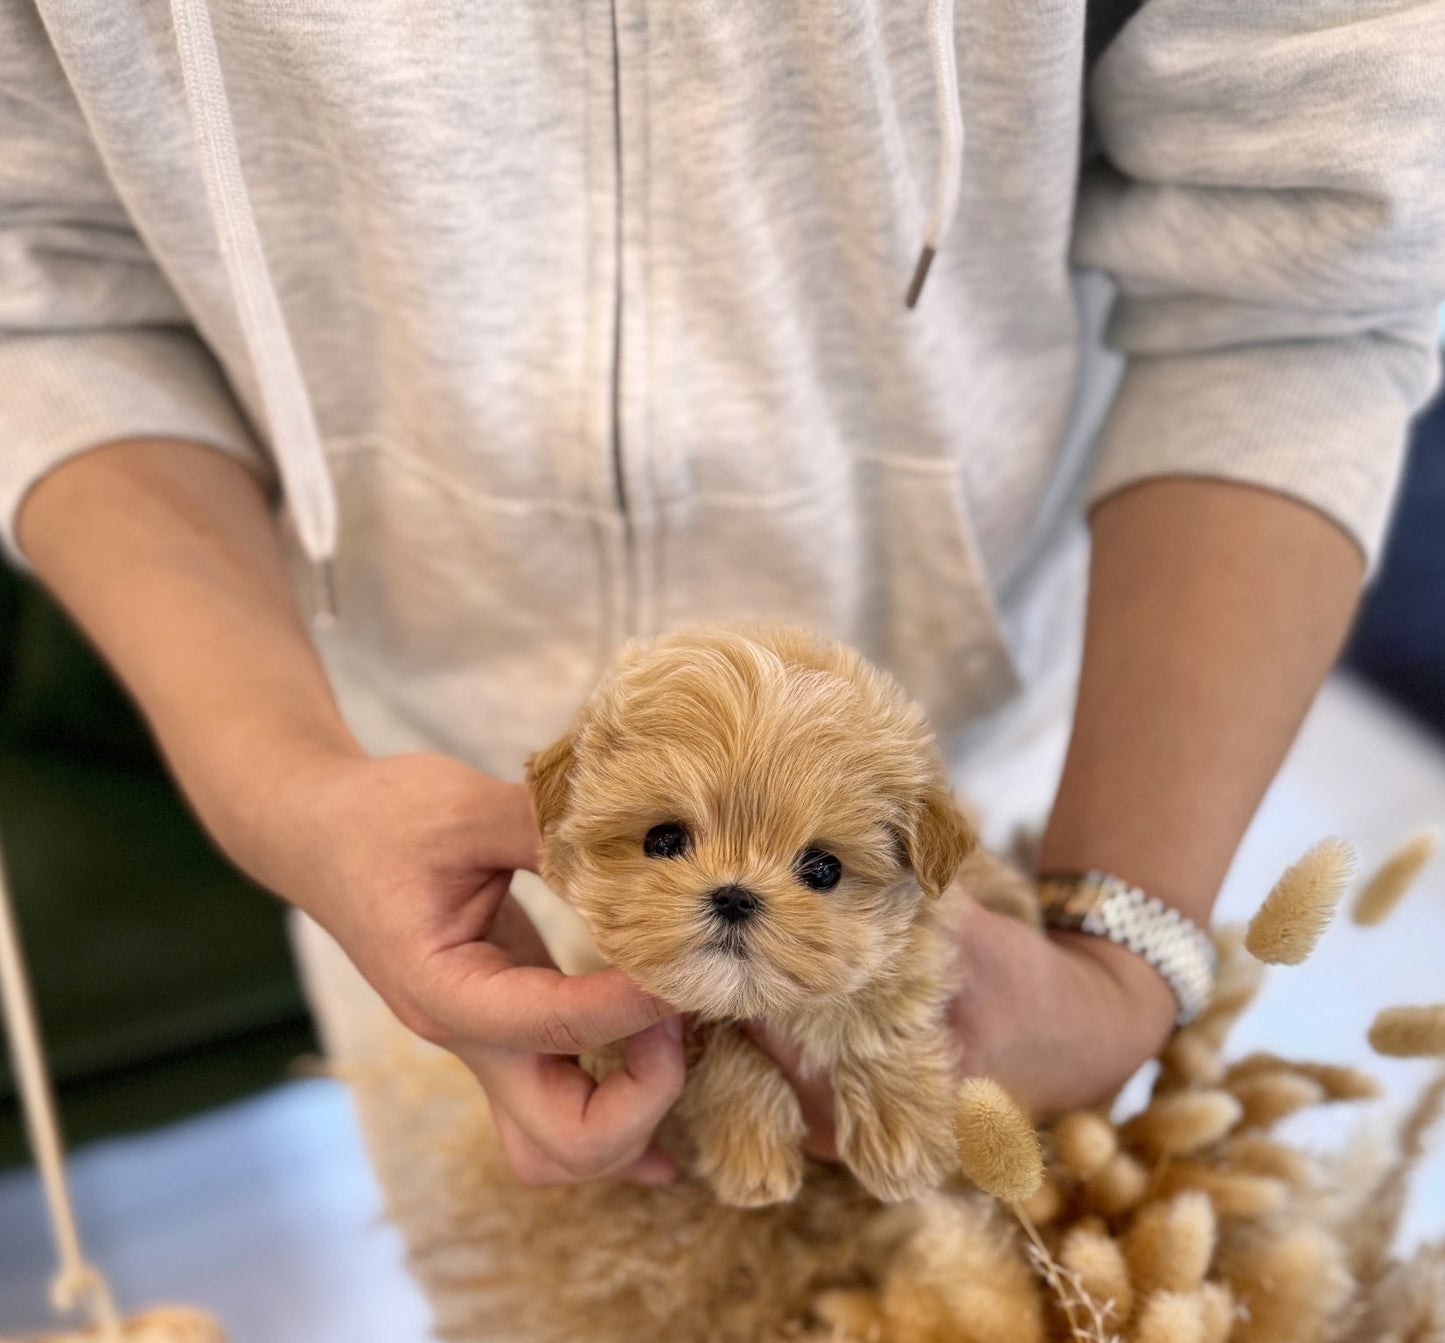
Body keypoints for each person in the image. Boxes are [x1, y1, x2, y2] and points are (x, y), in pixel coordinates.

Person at [4, 1, 1443, 1190]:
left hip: (1022, 759)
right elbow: (44, 284)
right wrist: (292, 789)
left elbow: (1310, 273)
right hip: (405, 796)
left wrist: (1121, 946)